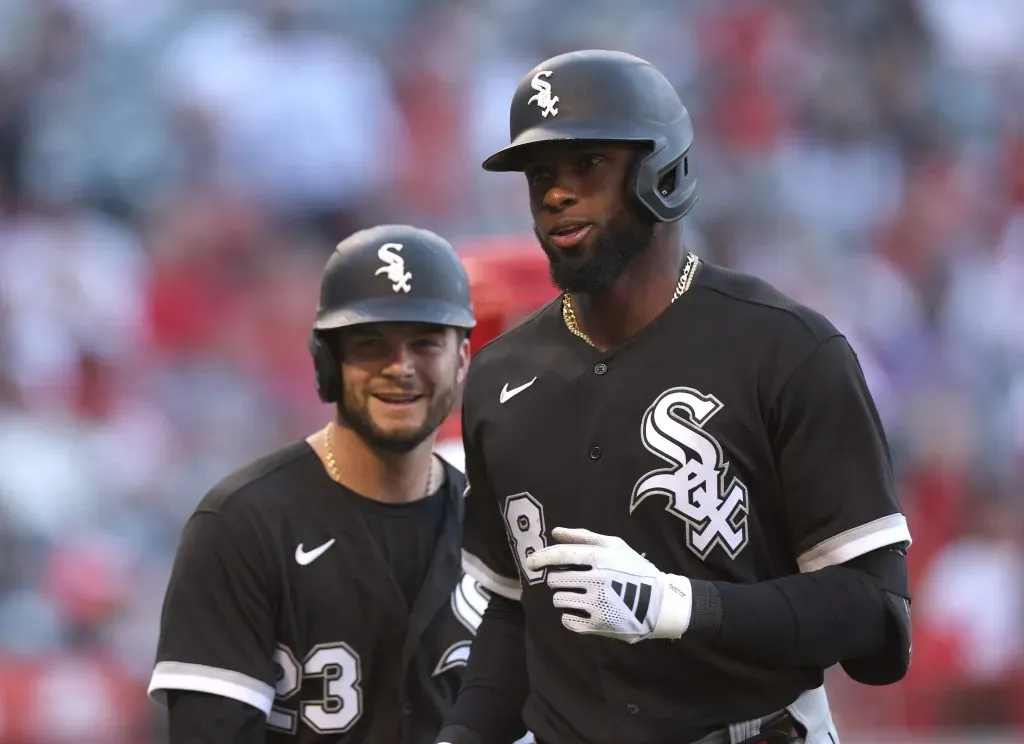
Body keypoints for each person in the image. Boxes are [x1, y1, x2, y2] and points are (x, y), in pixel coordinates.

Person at [436, 50, 913, 744]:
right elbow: (514, 617)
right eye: (541, 174)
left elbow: (875, 615)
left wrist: (679, 604)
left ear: (663, 172)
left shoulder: (786, 349)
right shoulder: (499, 377)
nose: (556, 195)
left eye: (587, 165)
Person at [148, 224, 491, 744]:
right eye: (371, 344)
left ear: (462, 359)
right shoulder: (242, 525)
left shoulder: (494, 525)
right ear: (328, 361)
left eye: (425, 343)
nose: (401, 368)